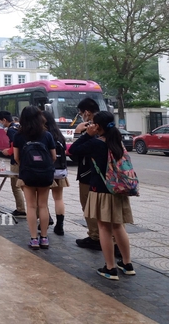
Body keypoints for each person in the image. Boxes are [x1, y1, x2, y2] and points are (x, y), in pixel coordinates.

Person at [68, 111, 135, 280]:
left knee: (104, 228)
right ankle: (127, 264)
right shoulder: (117, 141)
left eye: (92, 123)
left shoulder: (96, 143)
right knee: (118, 226)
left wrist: (83, 134)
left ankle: (110, 267)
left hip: (102, 191)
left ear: (97, 126)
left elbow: (73, 150)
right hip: (118, 189)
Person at [13, 106, 56, 250]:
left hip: (28, 174)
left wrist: (26, 166)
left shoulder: (19, 135)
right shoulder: (47, 135)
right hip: (45, 174)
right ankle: (44, 238)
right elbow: (54, 157)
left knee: (31, 206)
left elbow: (16, 157)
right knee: (43, 205)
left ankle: (34, 239)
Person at [73, 98, 101, 250]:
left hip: (87, 174)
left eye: (80, 113)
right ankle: (109, 239)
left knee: (88, 206)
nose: (81, 117)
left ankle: (95, 236)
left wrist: (79, 132)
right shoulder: (105, 123)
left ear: (87, 112)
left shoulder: (89, 128)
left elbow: (74, 151)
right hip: (103, 175)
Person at [43, 111, 70, 235]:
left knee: (41, 199)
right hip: (60, 171)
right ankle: (60, 226)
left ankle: (46, 219)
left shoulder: (44, 135)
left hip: (46, 171)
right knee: (58, 198)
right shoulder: (59, 135)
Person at [0, 111, 26, 218]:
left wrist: (8, 151)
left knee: (16, 186)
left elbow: (15, 145)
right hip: (25, 159)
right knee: (24, 186)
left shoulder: (11, 130)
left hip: (16, 161)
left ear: (4, 120)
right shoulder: (18, 126)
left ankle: (21, 209)